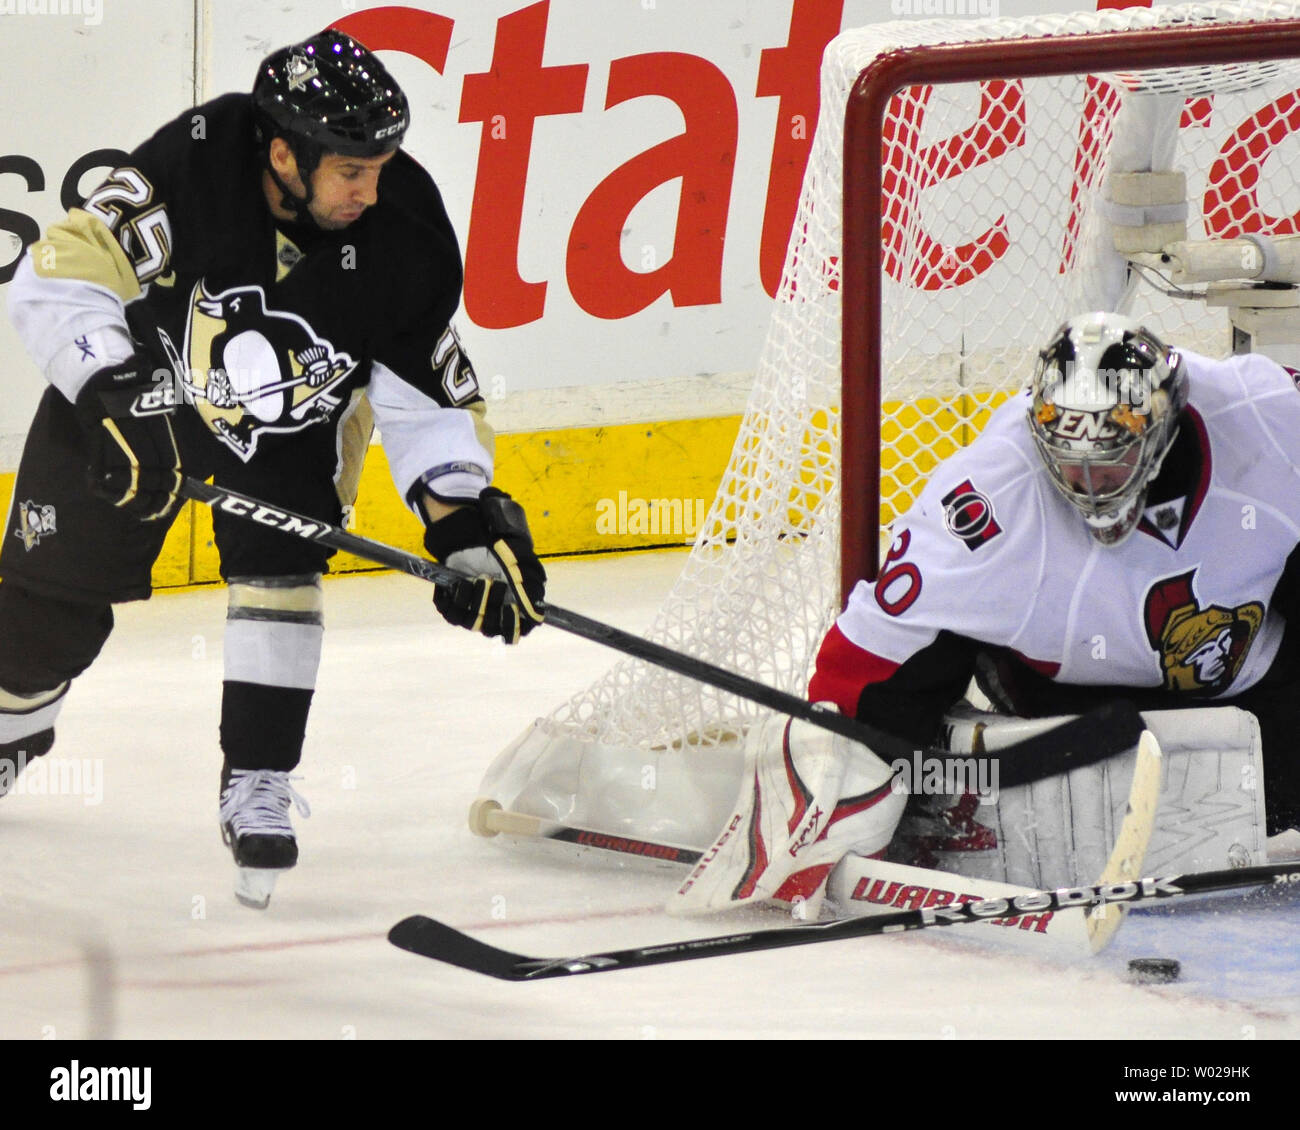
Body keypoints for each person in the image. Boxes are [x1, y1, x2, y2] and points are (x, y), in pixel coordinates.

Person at [0, 29, 546, 908]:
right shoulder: (197, 165)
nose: (372, 190)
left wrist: (463, 519)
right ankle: (10, 728)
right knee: (44, 611)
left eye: (381, 165)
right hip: (139, 393)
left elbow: (424, 392)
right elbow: (59, 270)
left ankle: (258, 775)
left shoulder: (404, 226)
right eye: (350, 172)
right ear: (284, 153)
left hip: (294, 413)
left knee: (281, 566)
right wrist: (111, 387)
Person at [672, 310, 1300, 916]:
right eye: (1068, 462)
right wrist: (844, 753)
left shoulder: (1263, 414)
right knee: (931, 648)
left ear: (1159, 430)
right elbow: (876, 642)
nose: (1087, 485)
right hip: (1065, 700)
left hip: (1258, 687)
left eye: (1108, 461)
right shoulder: (992, 490)